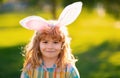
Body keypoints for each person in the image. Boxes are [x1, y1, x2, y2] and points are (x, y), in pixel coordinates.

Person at [20, 1, 82, 78]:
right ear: (38, 44)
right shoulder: (30, 69)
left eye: (55, 42)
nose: (50, 46)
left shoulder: (69, 70)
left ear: (62, 44)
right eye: (45, 42)